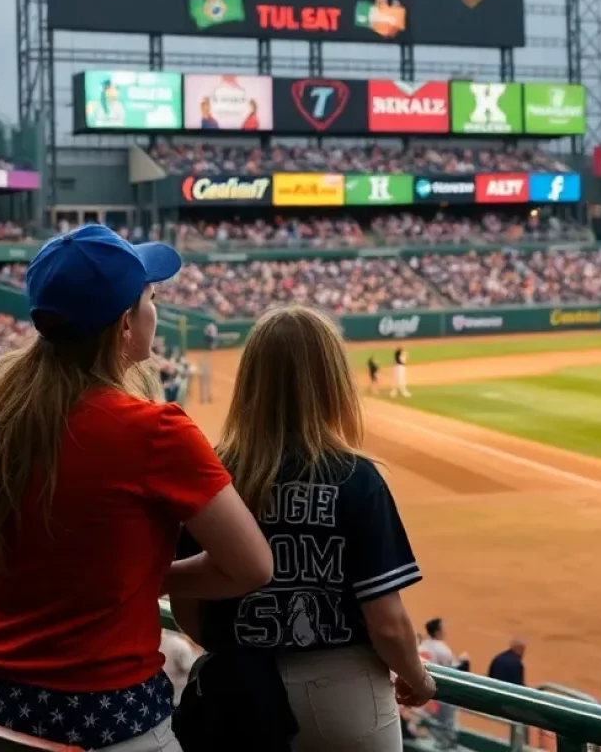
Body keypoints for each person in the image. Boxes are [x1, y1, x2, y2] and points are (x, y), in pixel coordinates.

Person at [0, 224, 273, 750]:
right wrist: (145, 579)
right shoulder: (156, 431)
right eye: (151, 298)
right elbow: (253, 565)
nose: (155, 309)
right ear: (125, 323)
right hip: (99, 711)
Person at [172, 305, 434, 752]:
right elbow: (387, 625)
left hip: (238, 689)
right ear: (332, 382)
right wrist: (418, 677)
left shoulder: (211, 472)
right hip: (344, 694)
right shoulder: (357, 477)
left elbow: (187, 606)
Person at [420, 618, 469, 747]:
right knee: (446, 720)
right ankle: (445, 743)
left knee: (430, 718)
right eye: (442, 628)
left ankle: (433, 740)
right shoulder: (442, 649)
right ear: (437, 632)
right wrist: (464, 661)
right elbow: (453, 670)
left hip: (425, 689)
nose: (445, 631)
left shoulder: (423, 645)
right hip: (442, 690)